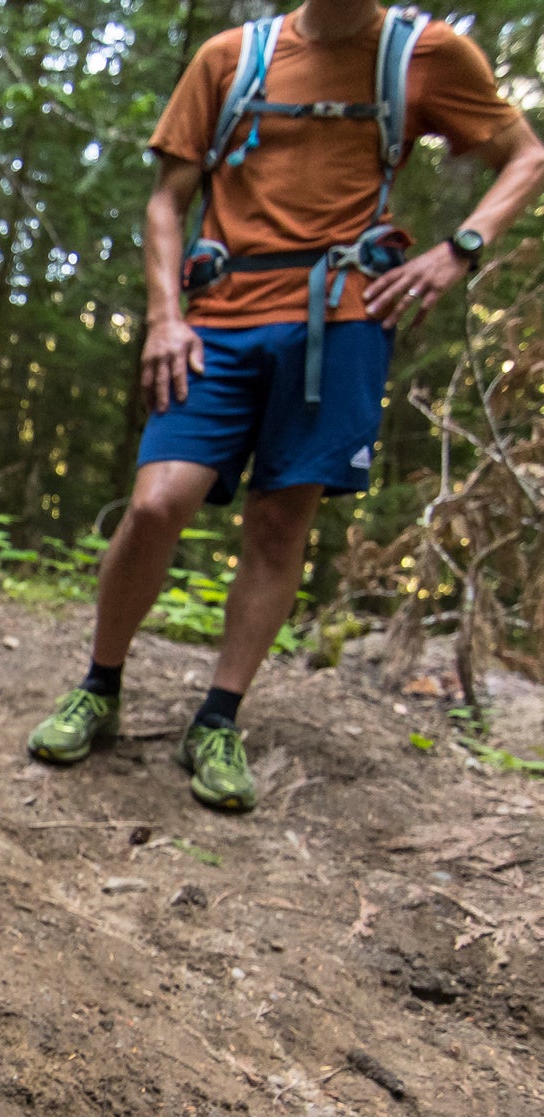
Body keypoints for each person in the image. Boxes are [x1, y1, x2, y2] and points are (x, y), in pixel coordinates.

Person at [27, 0, 544, 810]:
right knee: (158, 502)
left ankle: (219, 717)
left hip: (342, 320)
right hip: (220, 316)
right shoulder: (230, 57)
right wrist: (164, 317)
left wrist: (459, 251)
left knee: (279, 521)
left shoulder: (428, 55)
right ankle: (99, 683)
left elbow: (524, 156)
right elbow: (168, 200)